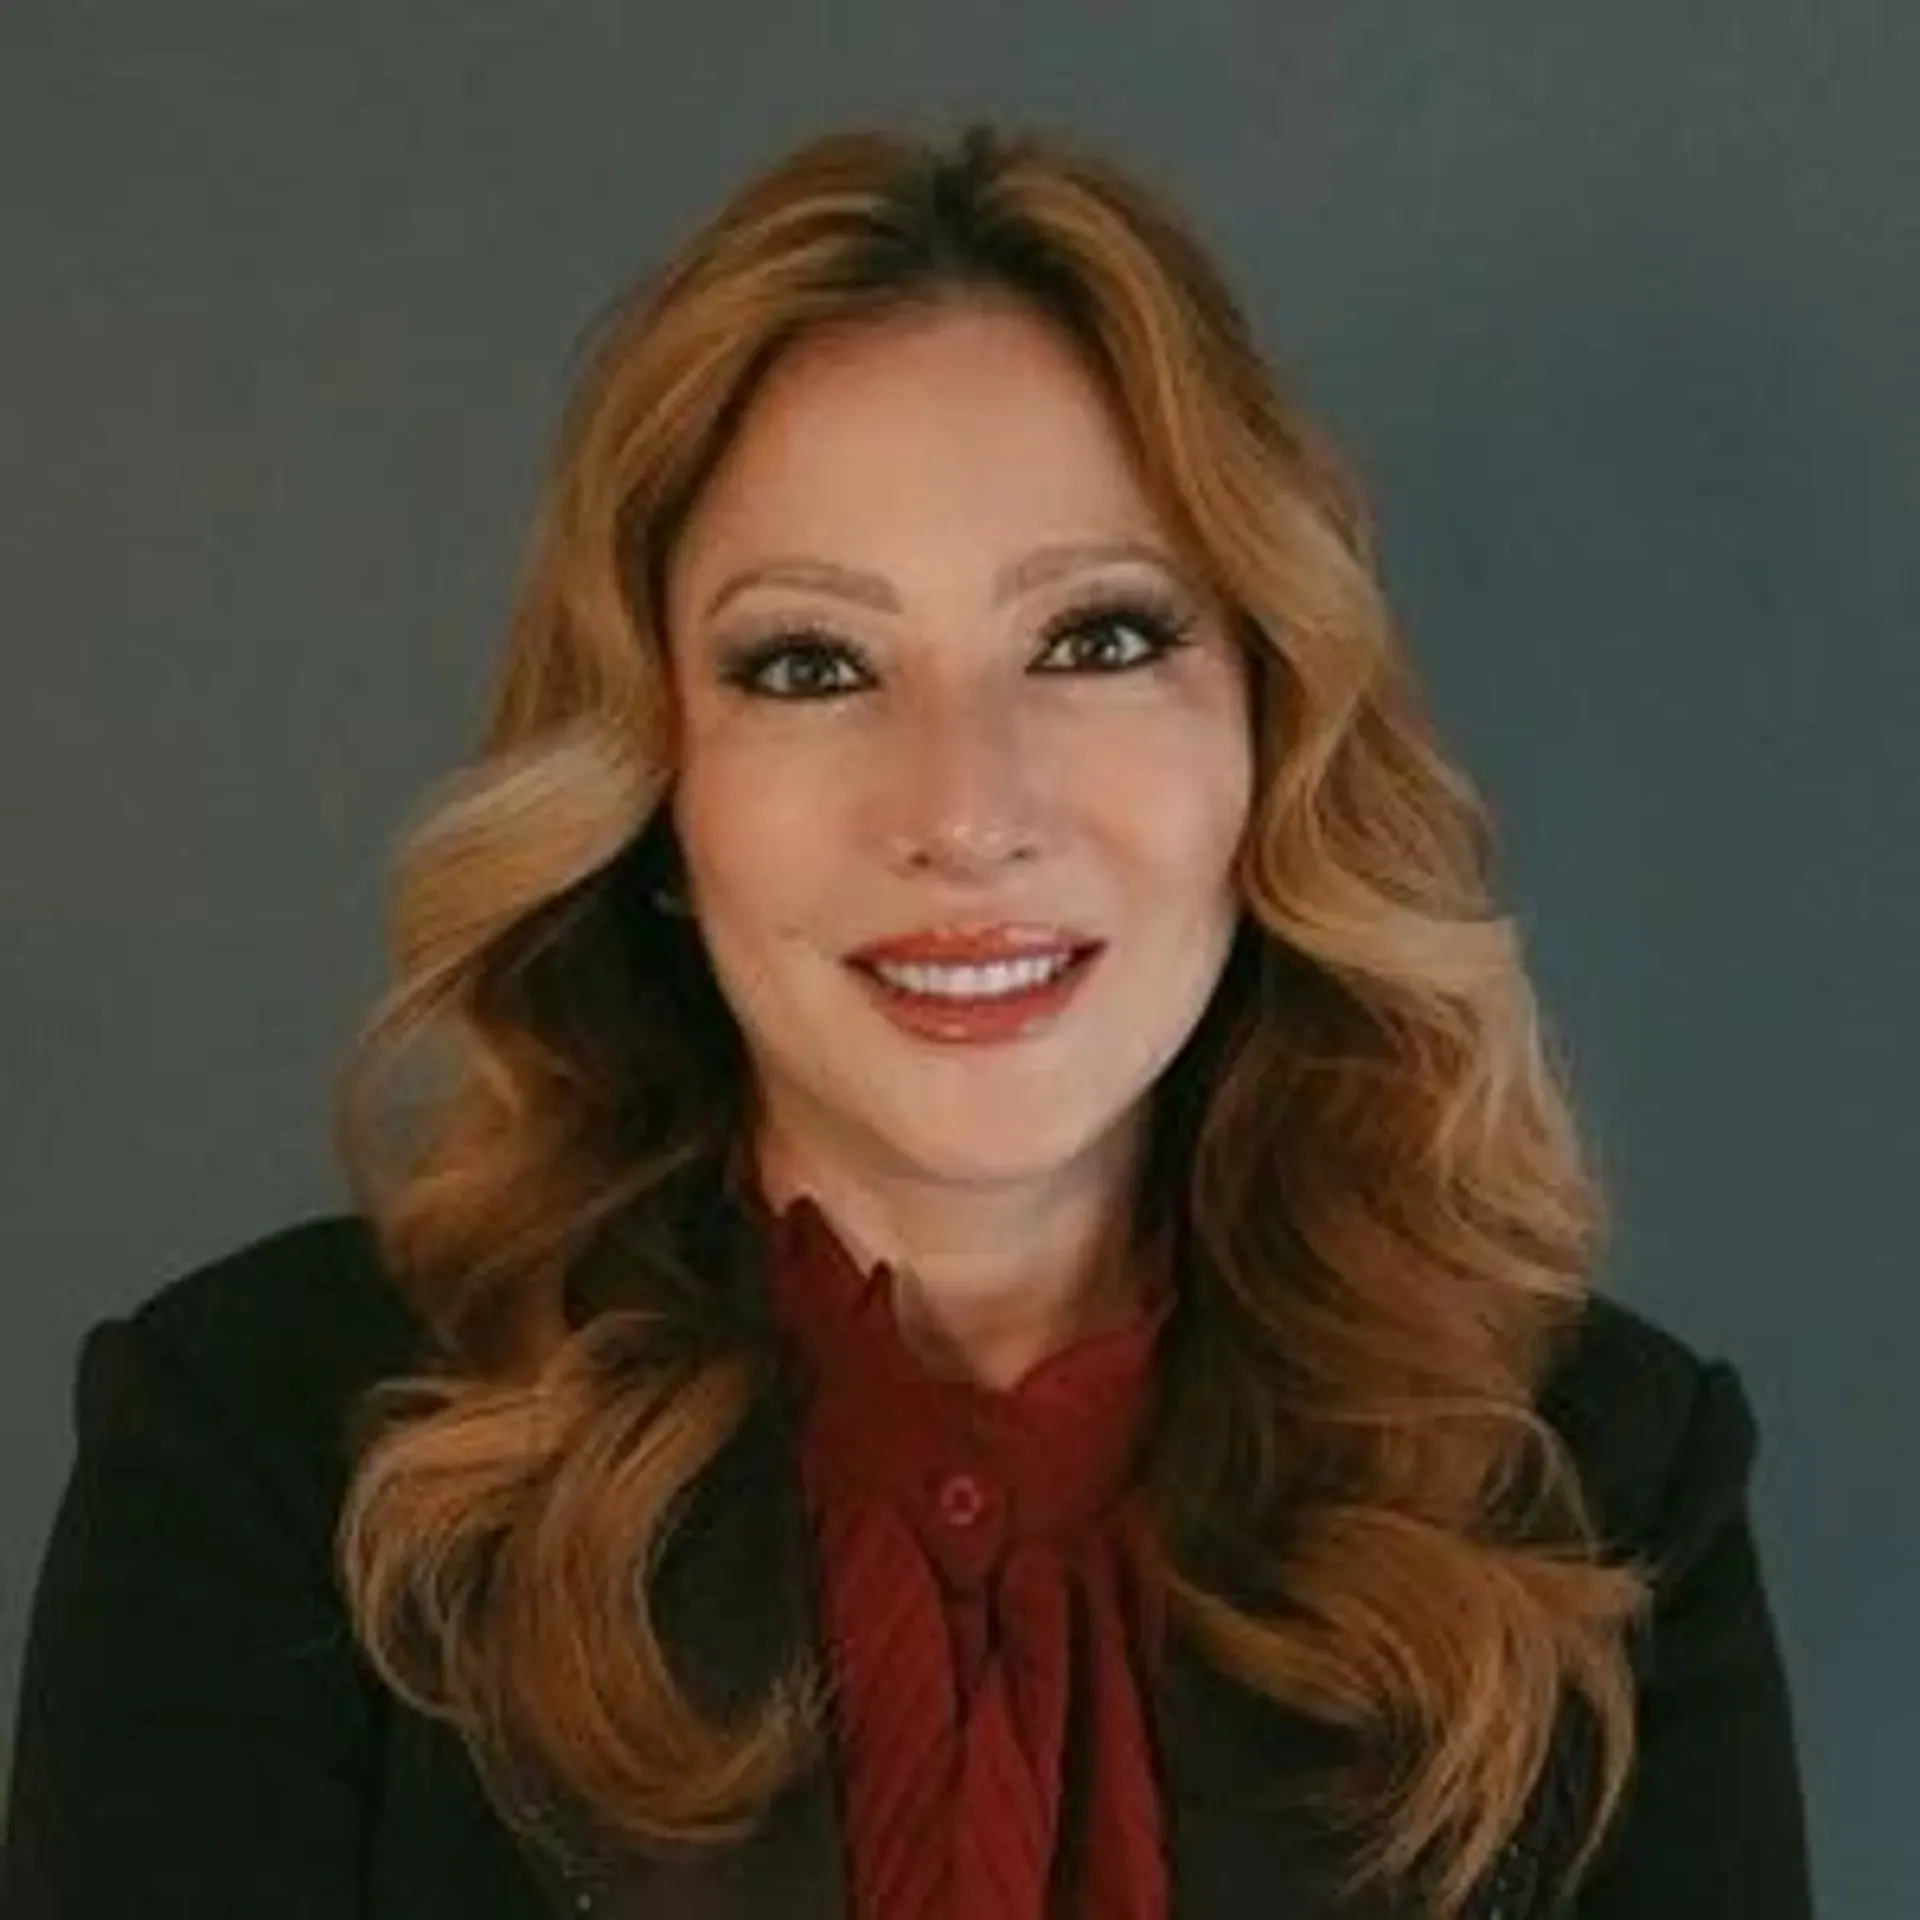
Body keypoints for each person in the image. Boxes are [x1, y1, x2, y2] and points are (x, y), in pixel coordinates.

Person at [2, 121, 1811, 1919]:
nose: (964, 809)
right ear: (658, 793)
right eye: (810, 664)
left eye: (1097, 640)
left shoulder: (1602, 1495)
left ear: (1273, 733)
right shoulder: (268, 1459)